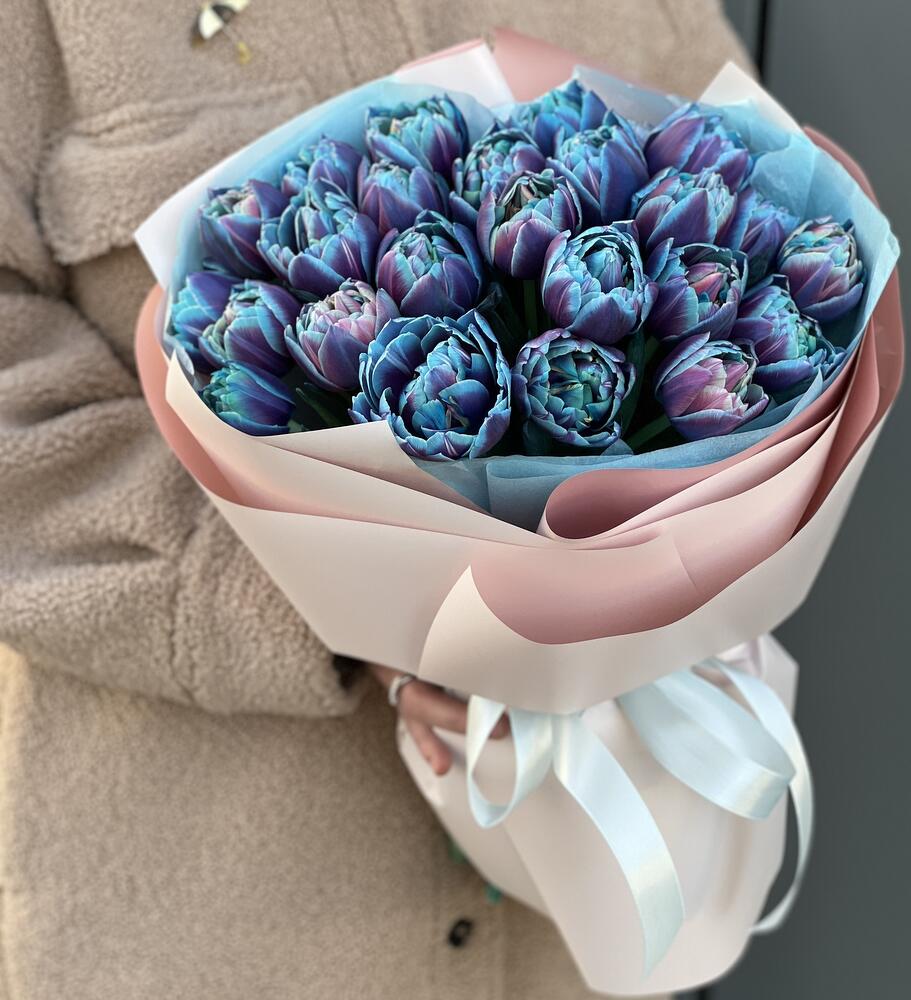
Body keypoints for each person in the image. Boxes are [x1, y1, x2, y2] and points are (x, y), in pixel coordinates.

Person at [0, 2, 750, 997]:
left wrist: (654, 584)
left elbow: (750, 209)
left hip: (571, 905)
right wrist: (341, 599)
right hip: (216, 914)